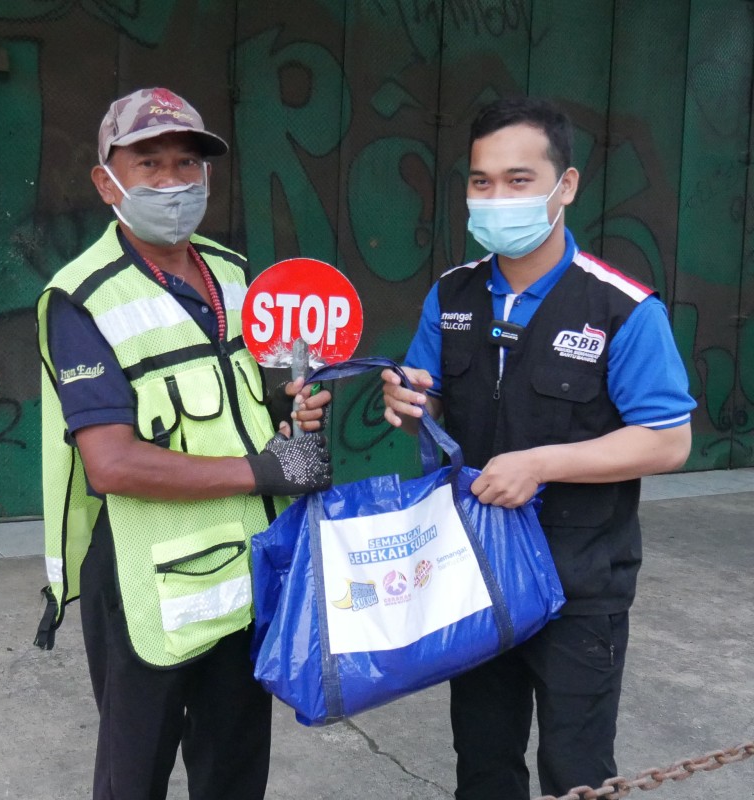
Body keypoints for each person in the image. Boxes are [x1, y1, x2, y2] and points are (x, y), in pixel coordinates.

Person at [381, 96, 695, 799]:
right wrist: (407, 402)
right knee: (484, 763)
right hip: (477, 576)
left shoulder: (622, 309)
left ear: (566, 186)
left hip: (579, 586)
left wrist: (543, 463)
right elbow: (427, 401)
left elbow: (669, 440)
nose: (497, 199)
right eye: (481, 182)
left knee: (576, 770)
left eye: (519, 181)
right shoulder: (451, 293)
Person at [34, 87, 332, 800]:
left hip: (242, 576)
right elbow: (110, 463)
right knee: (134, 779)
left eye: (187, 166)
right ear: (107, 181)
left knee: (233, 773)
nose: (173, 183)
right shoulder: (82, 297)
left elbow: (252, 400)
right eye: (150, 165)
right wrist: (265, 470)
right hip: (146, 589)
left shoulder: (232, 273)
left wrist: (295, 407)